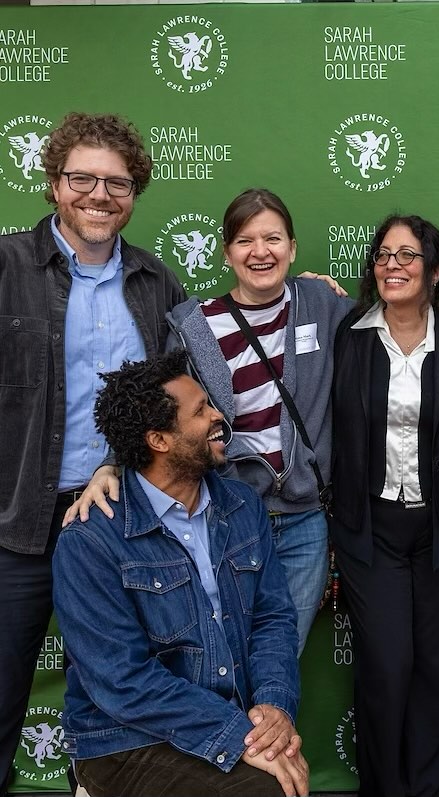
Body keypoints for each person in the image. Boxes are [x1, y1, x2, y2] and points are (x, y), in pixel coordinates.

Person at [72, 188, 439, 654]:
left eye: (273, 239)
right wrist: (110, 464)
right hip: (225, 518)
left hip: (305, 524)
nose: (260, 252)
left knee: (280, 662)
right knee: (223, 659)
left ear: (293, 247)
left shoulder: (322, 303)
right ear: (226, 253)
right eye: (245, 241)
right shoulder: (193, 324)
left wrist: (437, 311)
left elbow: (393, 315)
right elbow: (155, 407)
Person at [0, 111, 186, 795]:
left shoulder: (154, 281)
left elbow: (184, 395)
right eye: (83, 178)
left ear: (134, 192)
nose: (100, 195)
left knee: (116, 701)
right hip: (14, 522)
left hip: (116, 519)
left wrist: (311, 294)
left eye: (118, 182)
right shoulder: (7, 264)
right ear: (54, 183)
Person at [52, 351, 308, 797]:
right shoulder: (91, 540)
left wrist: (272, 713)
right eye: (201, 411)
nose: (218, 417)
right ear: (159, 440)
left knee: (281, 781)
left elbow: (273, 620)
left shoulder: (241, 505)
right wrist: (235, 735)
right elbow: (122, 681)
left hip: (232, 718)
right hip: (125, 741)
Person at [329, 214, 439, 797]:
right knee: (387, 668)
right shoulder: (348, 335)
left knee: (436, 670)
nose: (393, 264)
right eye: (384, 254)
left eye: (409, 255)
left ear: (435, 271)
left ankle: (428, 788)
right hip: (370, 529)